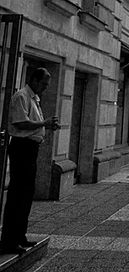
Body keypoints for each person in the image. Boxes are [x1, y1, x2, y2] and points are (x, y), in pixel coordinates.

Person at [0, 68, 59, 255]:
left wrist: (46, 126)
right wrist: (44, 123)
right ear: (34, 80)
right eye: (43, 84)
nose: (45, 88)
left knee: (26, 194)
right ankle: (9, 240)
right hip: (21, 147)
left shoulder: (34, 98)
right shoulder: (21, 96)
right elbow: (20, 122)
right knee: (17, 194)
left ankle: (19, 235)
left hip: (31, 149)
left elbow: (32, 123)